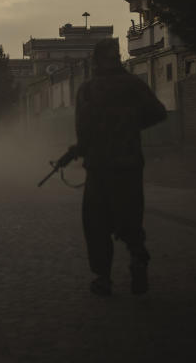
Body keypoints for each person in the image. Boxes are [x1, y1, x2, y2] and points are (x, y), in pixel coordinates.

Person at [65, 37, 166, 296]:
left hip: (99, 169)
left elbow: (83, 132)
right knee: (130, 218)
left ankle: (103, 278)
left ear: (96, 61)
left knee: (97, 224)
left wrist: (79, 149)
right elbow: (158, 112)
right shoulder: (133, 85)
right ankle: (138, 258)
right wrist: (130, 127)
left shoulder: (87, 90)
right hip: (129, 166)